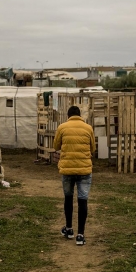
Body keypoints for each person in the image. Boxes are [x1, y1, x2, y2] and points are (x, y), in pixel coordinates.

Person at [53, 105, 95, 246]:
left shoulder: (62, 127)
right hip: (84, 170)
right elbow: (93, 148)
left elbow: (56, 146)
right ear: (80, 116)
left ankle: (69, 229)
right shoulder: (88, 128)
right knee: (83, 200)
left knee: (68, 198)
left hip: (67, 170)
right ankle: (81, 235)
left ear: (68, 116)